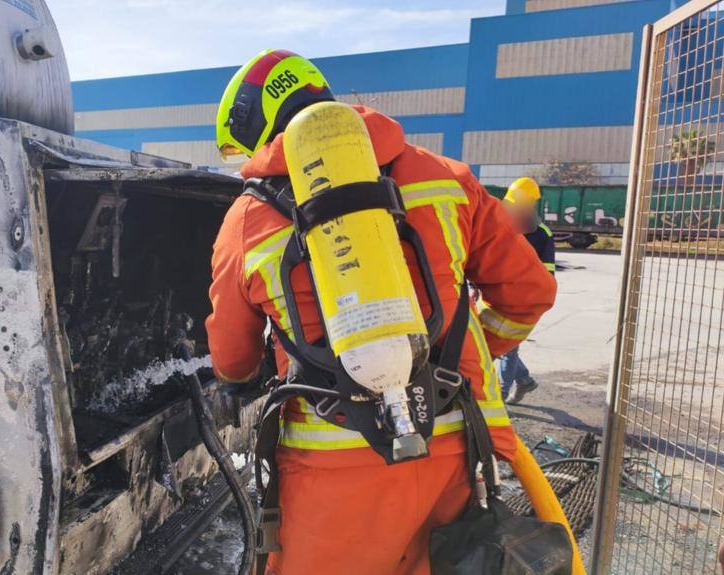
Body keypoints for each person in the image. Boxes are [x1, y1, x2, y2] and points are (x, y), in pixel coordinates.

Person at [205, 49, 557, 574]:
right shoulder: (447, 179)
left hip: (329, 466)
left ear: (258, 125)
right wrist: (465, 351)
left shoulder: (246, 222)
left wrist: (245, 373)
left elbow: (232, 360)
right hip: (454, 447)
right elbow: (528, 294)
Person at [499, 177, 556, 405]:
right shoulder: (501, 225)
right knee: (500, 346)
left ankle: (499, 397)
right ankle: (524, 380)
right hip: (498, 295)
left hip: (523, 299)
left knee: (508, 349)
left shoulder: (541, 233)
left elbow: (548, 271)